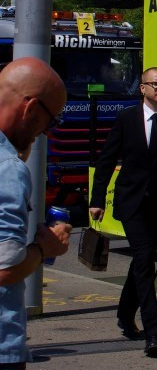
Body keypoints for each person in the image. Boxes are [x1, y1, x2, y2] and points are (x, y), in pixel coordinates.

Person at [90, 67, 157, 358]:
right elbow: (107, 159)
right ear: (143, 88)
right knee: (144, 262)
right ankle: (154, 333)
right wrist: (97, 199)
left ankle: (125, 316)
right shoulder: (126, 119)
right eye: (155, 84)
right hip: (131, 203)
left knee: (142, 259)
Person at [0, 58, 72, 368]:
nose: (45, 133)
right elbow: (5, 270)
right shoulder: (8, 170)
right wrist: (46, 248)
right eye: (51, 121)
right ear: (30, 109)